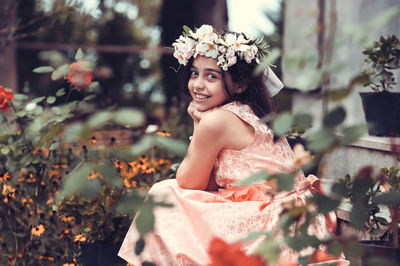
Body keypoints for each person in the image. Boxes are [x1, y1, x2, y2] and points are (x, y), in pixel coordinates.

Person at [118, 24, 348, 265]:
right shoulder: (249, 111)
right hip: (295, 215)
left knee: (163, 194)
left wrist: (198, 124)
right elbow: (206, 184)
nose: (197, 84)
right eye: (195, 73)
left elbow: (188, 182)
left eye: (211, 76)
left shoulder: (217, 120)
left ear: (240, 85)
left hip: (275, 223)